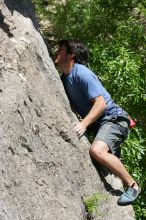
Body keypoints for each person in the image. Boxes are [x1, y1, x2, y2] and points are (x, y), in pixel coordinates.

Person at [54, 39, 141, 206]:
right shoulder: (64, 78)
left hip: (113, 118)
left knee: (97, 151)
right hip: (101, 123)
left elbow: (100, 104)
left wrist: (83, 124)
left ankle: (133, 186)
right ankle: (112, 153)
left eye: (61, 49)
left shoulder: (81, 73)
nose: (57, 52)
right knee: (98, 158)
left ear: (71, 54)